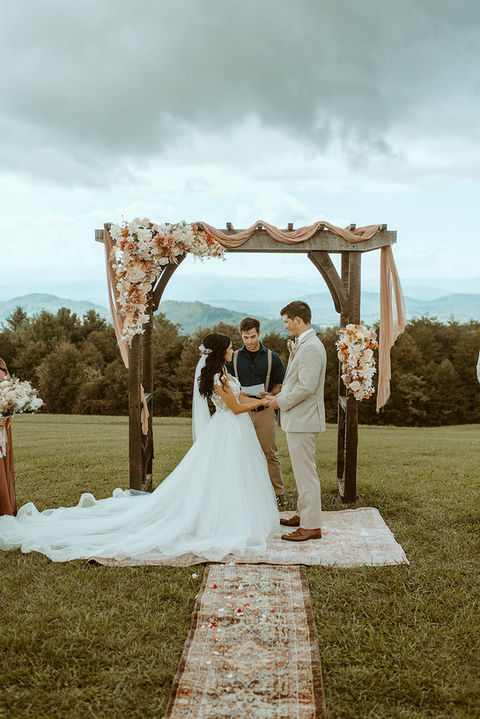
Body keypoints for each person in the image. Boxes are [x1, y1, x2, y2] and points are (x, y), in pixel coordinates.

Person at [0, 334, 279, 563]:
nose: (233, 350)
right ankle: (220, 520)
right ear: (222, 351)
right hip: (228, 433)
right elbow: (235, 407)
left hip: (235, 432)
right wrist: (263, 403)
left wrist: (257, 395)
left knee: (233, 477)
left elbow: (240, 394)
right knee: (222, 476)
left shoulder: (222, 371)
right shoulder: (217, 378)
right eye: (230, 348)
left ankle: (231, 515)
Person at [266, 301, 326, 542]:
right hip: (299, 418)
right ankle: (303, 514)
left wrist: (279, 403)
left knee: (306, 473)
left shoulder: (311, 347)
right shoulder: (305, 343)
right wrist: (276, 396)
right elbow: (295, 384)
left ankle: (311, 526)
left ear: (298, 320)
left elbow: (306, 387)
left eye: (287, 322)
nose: (286, 326)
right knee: (303, 472)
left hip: (304, 419)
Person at [226, 317, 287, 507]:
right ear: (241, 336)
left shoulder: (272, 357)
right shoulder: (233, 357)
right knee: (241, 453)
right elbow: (224, 382)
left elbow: (282, 382)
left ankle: (278, 493)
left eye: (253, 336)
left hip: (264, 410)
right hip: (241, 412)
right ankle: (245, 492)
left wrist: (272, 393)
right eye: (246, 337)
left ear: (259, 333)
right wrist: (238, 392)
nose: (250, 341)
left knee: (269, 452)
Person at [0, 358, 17, 516]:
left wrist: (9, 411)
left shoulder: (2, 363)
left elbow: (10, 389)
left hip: (4, 425)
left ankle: (5, 508)